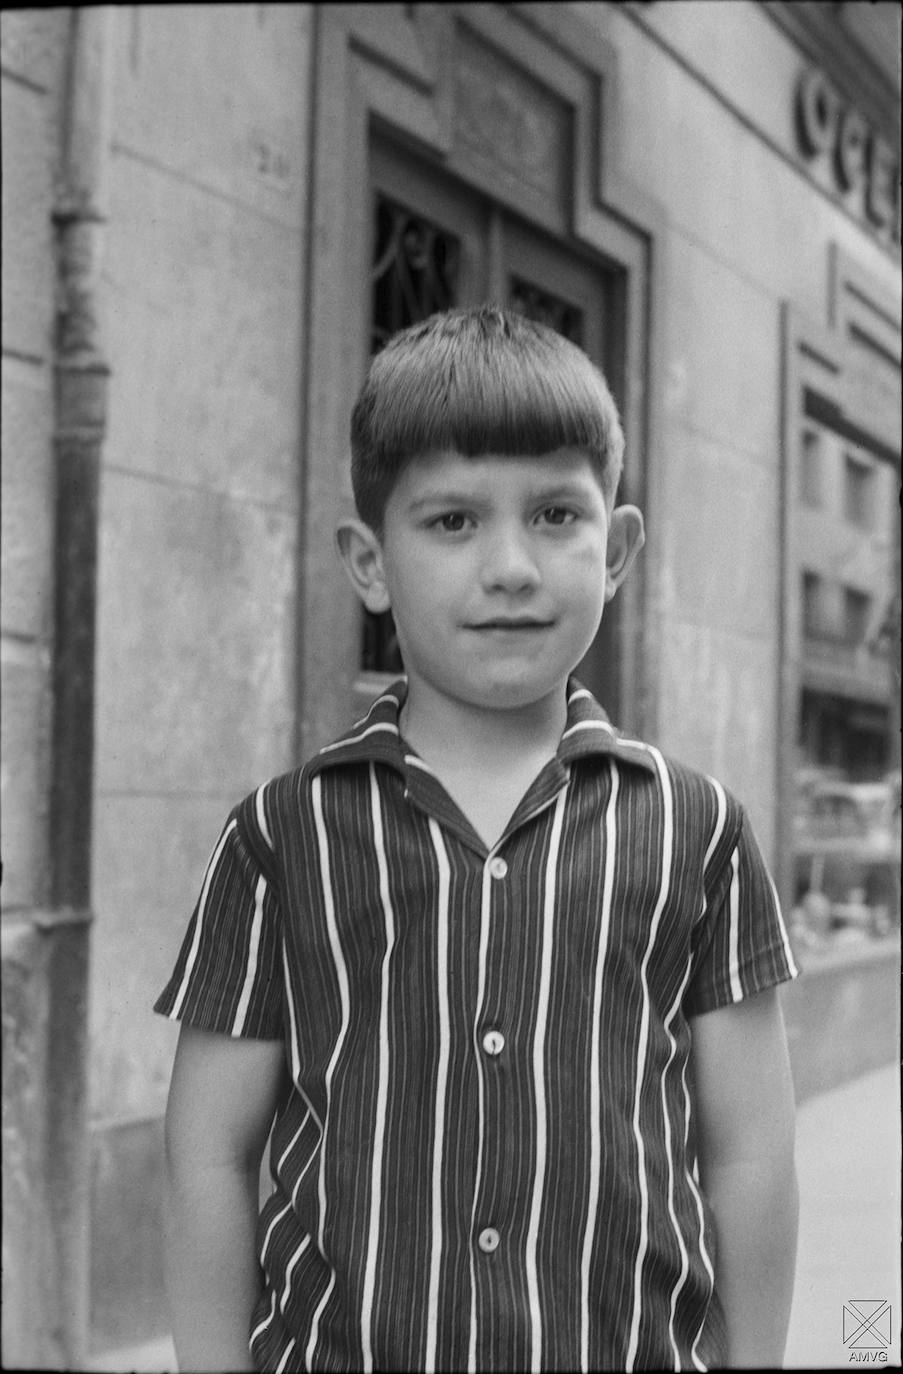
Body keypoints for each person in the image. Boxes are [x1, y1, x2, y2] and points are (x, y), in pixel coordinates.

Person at [156, 305, 799, 1373]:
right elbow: (207, 1159)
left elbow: (751, 1155)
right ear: (370, 563)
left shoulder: (700, 832)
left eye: (555, 515)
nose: (510, 567)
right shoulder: (282, 835)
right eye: (453, 521)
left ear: (616, 549)